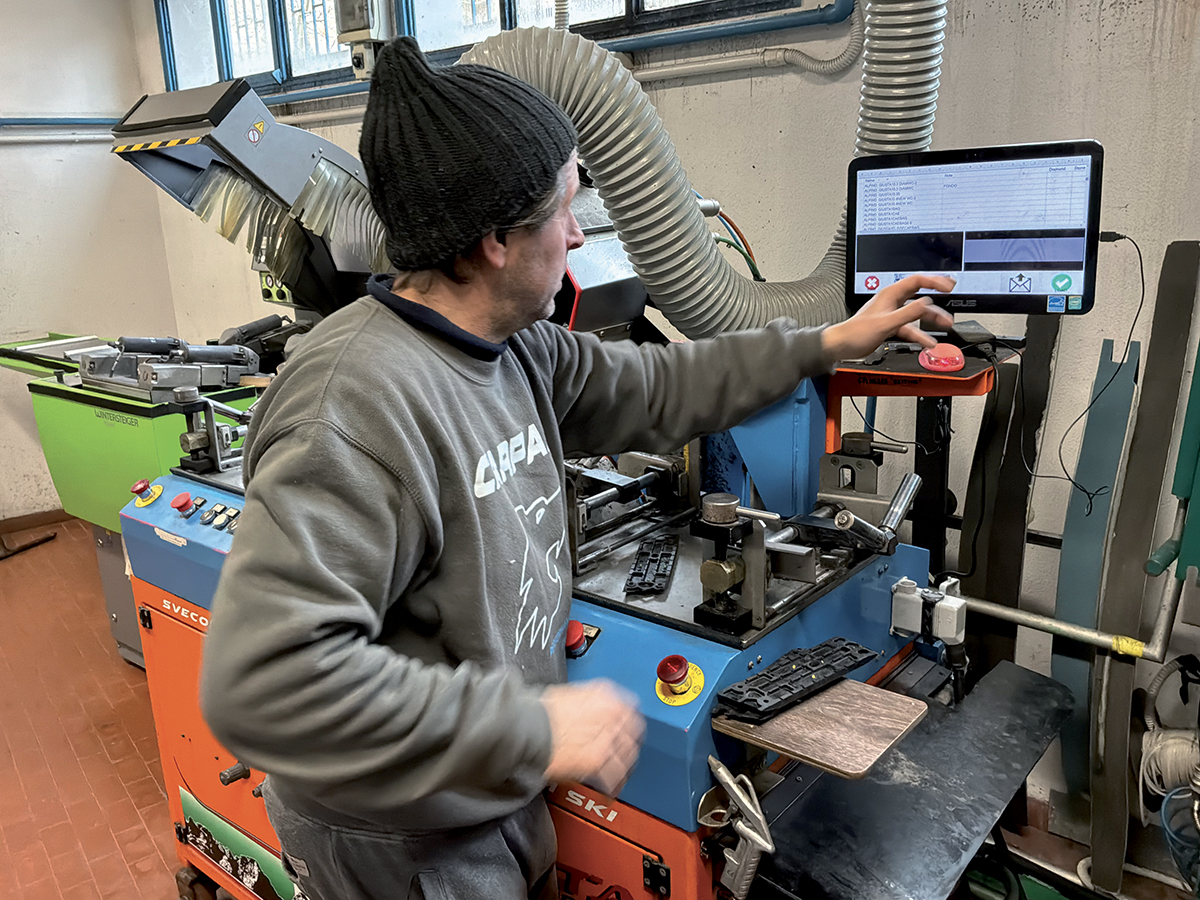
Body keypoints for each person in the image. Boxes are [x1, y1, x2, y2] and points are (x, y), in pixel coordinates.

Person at [199, 36, 954, 900]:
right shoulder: (354, 408)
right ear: (493, 239)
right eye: (563, 208)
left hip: (485, 798)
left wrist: (828, 342)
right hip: (397, 839)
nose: (576, 232)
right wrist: (528, 727)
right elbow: (266, 684)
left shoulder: (515, 348)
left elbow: (664, 385)